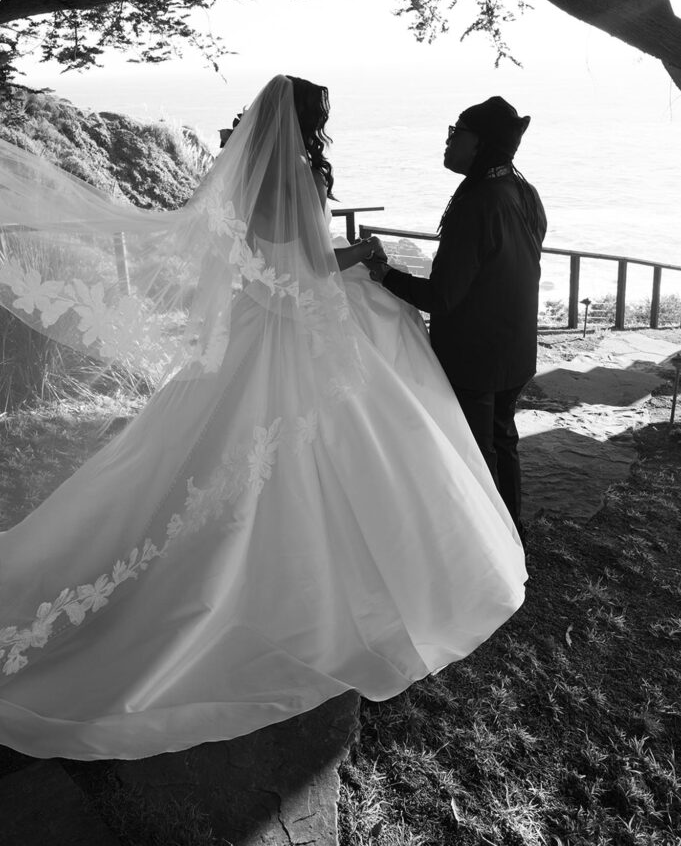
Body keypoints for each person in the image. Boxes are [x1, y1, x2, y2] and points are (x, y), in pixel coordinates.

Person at [0, 77, 526, 761]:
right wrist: (363, 255)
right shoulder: (299, 174)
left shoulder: (253, 171)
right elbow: (306, 266)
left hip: (257, 329)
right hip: (292, 335)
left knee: (226, 455)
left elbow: (257, 263)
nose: (326, 125)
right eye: (325, 115)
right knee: (305, 451)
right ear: (306, 123)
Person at [366, 97, 546, 544]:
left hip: (474, 356)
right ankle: (512, 535)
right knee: (503, 441)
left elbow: (442, 297)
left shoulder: (477, 203)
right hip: (516, 349)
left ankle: (488, 549)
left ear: (480, 143)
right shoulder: (522, 191)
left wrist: (384, 275)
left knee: (475, 451)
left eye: (456, 132)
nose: (448, 139)